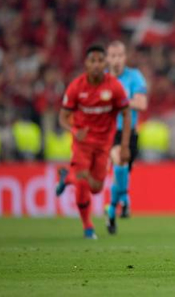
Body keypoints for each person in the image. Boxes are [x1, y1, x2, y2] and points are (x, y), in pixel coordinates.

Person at [56, 45, 131, 239]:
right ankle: (88, 227)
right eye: (92, 61)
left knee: (96, 188)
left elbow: (126, 112)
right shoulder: (76, 87)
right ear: (86, 64)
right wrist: (74, 131)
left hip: (104, 144)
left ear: (105, 63)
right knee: (82, 183)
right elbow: (63, 117)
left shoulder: (113, 86)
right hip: (82, 144)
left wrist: (124, 146)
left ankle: (67, 177)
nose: (96, 65)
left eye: (100, 61)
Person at [105, 41, 148, 235]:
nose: (116, 60)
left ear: (125, 57)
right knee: (118, 159)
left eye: (119, 55)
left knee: (121, 171)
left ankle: (113, 209)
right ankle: (124, 201)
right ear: (107, 58)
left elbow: (142, 104)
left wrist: (118, 102)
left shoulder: (134, 77)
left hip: (130, 133)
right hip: (109, 132)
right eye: (112, 56)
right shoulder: (102, 80)